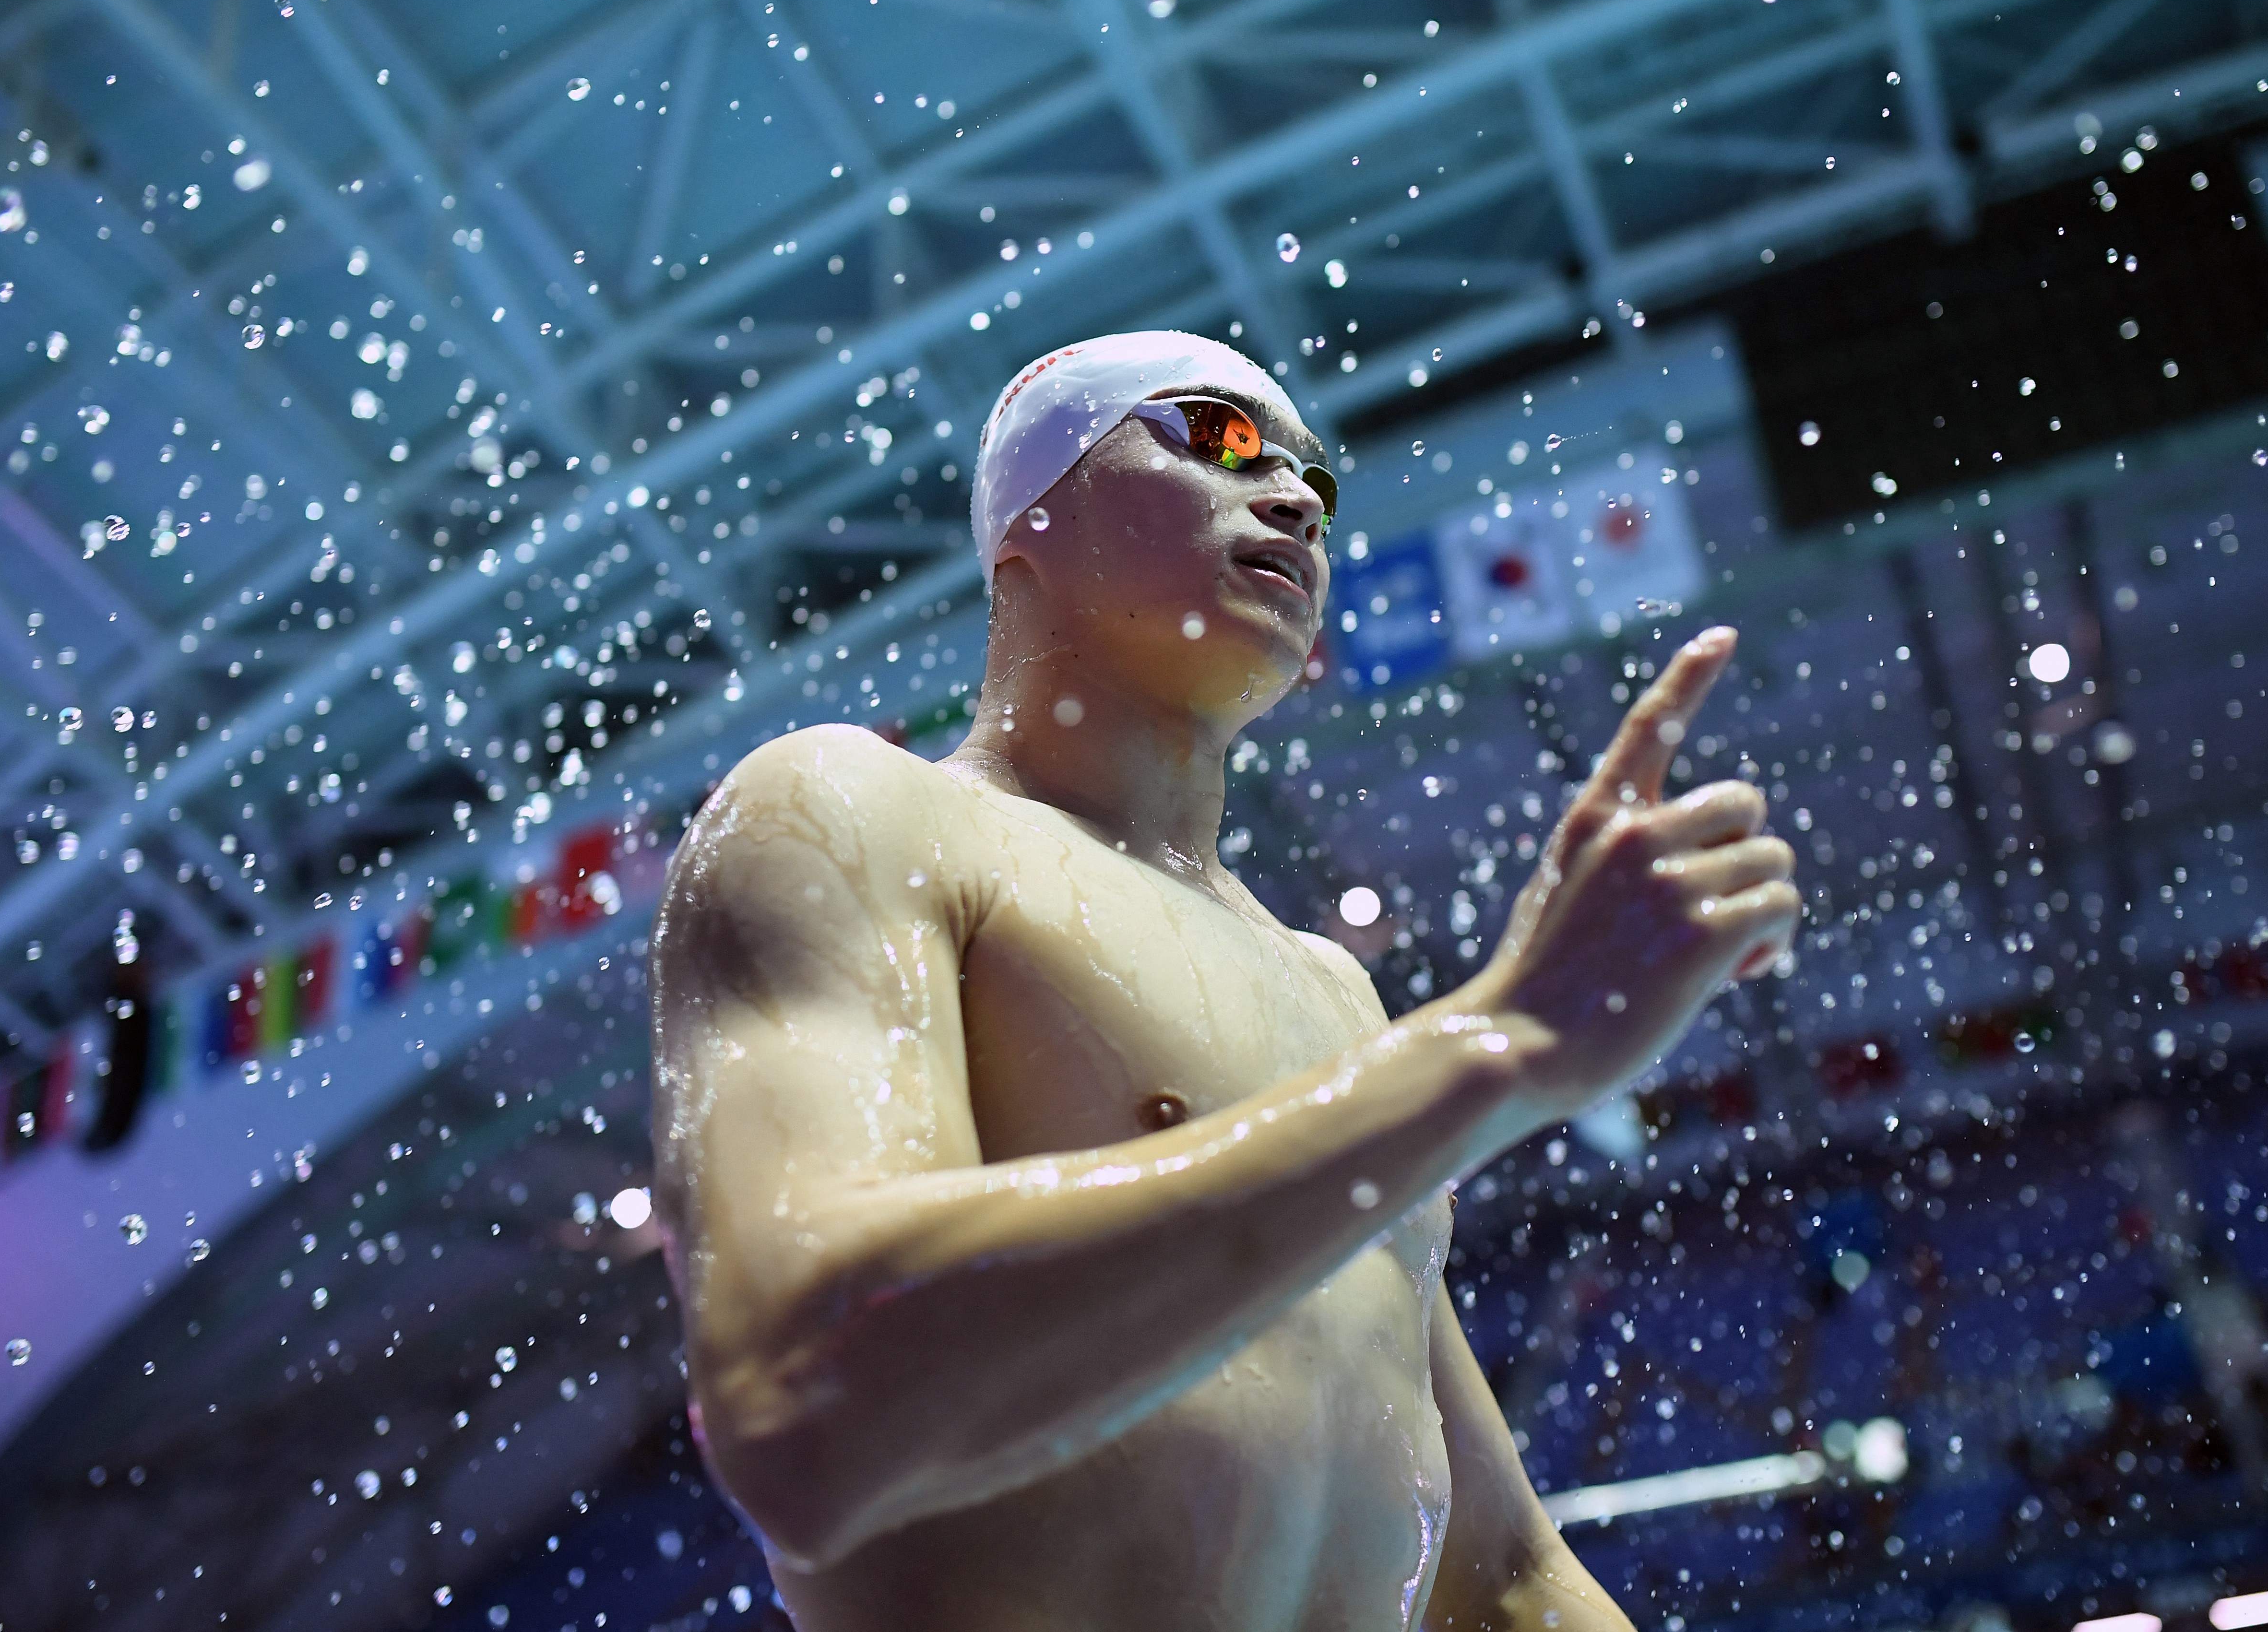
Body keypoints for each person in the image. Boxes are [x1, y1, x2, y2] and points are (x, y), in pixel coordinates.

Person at [649, 330, 1800, 1630]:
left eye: (1318, 479)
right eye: (1221, 437)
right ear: (1028, 521)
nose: (1296, 497)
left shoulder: (1333, 992)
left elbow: (1503, 1578)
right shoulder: (859, 813)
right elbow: (807, 1398)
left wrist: (1473, 1052)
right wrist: (1497, 1044)